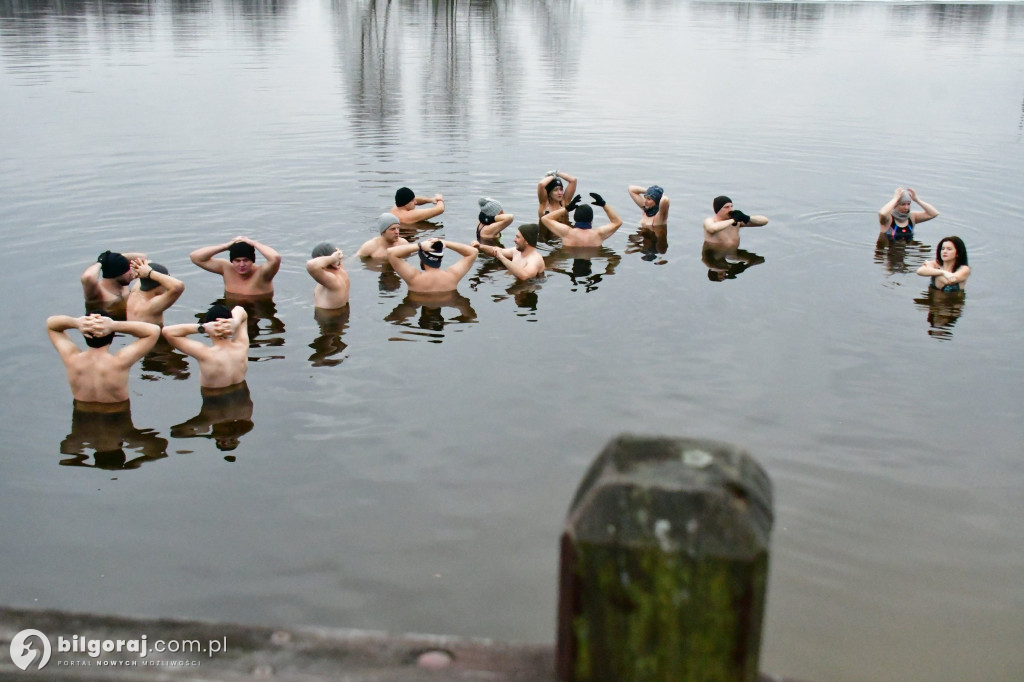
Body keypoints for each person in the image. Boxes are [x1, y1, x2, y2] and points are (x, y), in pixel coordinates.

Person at [46, 312, 160, 404]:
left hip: (83, 418)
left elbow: (51, 325)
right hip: (117, 418)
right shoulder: (120, 362)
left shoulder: (71, 358)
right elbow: (153, 331)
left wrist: (77, 323)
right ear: (112, 336)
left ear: (85, 334)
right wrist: (113, 325)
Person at [162, 304, 249, 389]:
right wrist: (236, 321)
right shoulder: (242, 346)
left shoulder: (206, 354)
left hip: (214, 402)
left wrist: (203, 328)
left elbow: (167, 332)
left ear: (208, 325)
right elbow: (240, 310)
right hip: (242, 400)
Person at [189, 236, 281, 296]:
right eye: (237, 261)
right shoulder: (226, 268)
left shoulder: (262, 274)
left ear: (252, 260)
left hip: (259, 309)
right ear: (232, 261)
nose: (241, 265)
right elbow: (195, 257)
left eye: (246, 260)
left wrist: (254, 243)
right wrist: (226, 246)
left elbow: (275, 258)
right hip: (230, 310)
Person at [387, 238, 478, 293]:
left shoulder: (413, 278)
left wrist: (420, 245)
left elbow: (391, 253)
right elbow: (473, 252)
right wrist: (445, 243)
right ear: (441, 259)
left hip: (415, 301)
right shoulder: (452, 276)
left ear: (421, 259)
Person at [540, 193, 622, 247]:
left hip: (567, 255)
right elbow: (617, 222)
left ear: (575, 219)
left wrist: (567, 209)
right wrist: (604, 204)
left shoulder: (566, 233)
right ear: (591, 221)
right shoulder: (599, 234)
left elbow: (545, 218)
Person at [473, 223, 544, 280]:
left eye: (518, 237)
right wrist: (480, 246)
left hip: (526, 292)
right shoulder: (516, 251)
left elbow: (525, 276)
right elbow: (496, 251)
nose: (514, 240)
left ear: (526, 241)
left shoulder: (535, 260)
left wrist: (502, 258)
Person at [81, 250, 146, 311]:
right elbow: (88, 277)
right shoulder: (97, 293)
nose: (131, 272)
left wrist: (113, 257)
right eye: (126, 270)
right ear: (116, 274)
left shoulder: (123, 284)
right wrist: (100, 262)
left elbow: (142, 258)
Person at [125, 258, 185, 325]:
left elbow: (146, 272)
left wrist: (140, 268)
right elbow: (178, 286)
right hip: (154, 334)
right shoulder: (150, 306)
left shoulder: (135, 291)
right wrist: (150, 273)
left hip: (137, 332)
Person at [702, 195, 769, 249]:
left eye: (731, 206)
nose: (731, 209)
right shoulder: (709, 221)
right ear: (718, 210)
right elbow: (713, 228)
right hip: (713, 256)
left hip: (733, 254)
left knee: (759, 260)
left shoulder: (737, 222)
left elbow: (764, 221)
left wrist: (746, 217)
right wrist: (733, 220)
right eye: (726, 207)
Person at [306, 242, 350, 309]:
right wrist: (337, 256)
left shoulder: (334, 280)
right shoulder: (340, 269)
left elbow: (311, 265)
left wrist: (333, 258)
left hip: (328, 318)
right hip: (341, 314)